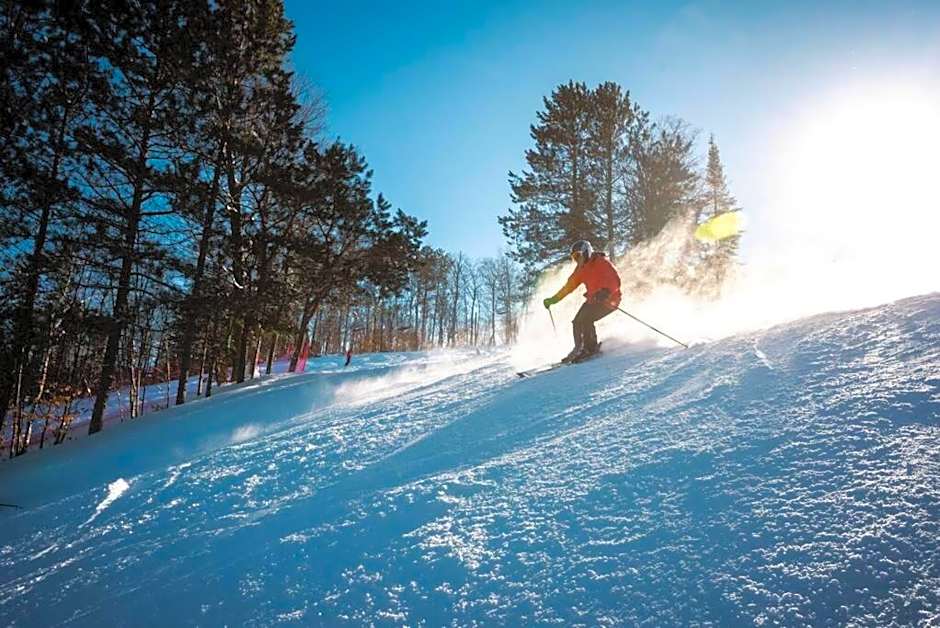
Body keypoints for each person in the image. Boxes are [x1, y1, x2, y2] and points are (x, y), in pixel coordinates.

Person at [543, 240, 621, 362]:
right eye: (574, 257)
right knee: (577, 322)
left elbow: (614, 279)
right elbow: (568, 287)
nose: (577, 259)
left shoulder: (601, 262)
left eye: (578, 255)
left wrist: (605, 292)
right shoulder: (581, 269)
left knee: (586, 319)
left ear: (586, 252)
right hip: (593, 300)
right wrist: (554, 299)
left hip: (609, 300)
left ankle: (590, 348)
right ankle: (579, 348)